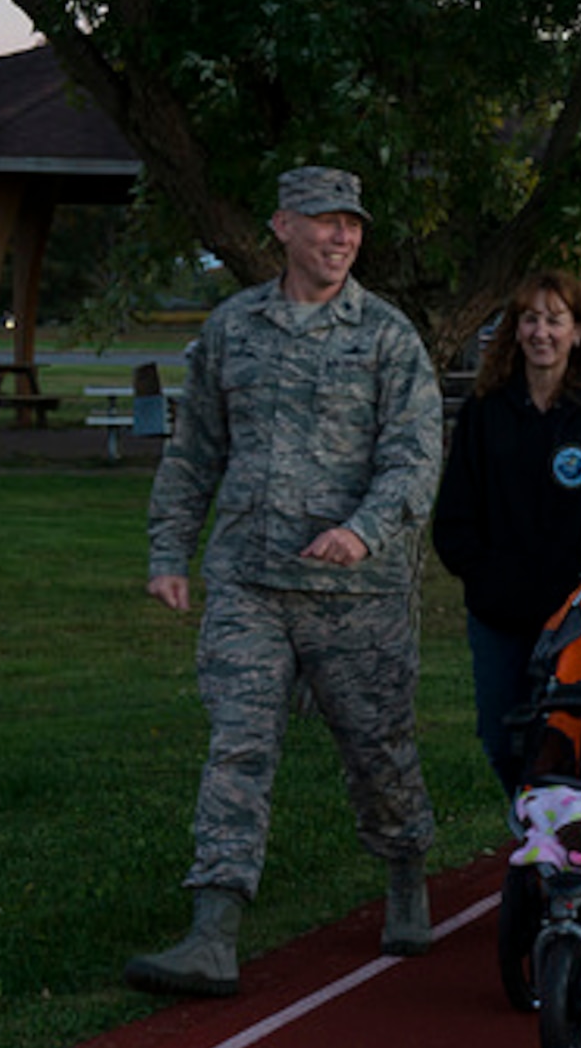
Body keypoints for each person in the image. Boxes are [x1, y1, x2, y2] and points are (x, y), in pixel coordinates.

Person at [127, 166, 445, 997]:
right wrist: (170, 553)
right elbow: (193, 449)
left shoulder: (386, 335)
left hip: (359, 596)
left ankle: (406, 872)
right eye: (324, 221)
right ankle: (214, 928)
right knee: (237, 743)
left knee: (379, 754)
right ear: (282, 227)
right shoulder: (234, 329)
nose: (341, 236)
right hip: (250, 583)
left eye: (352, 224)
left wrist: (361, 530)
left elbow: (414, 459)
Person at [432, 271, 581, 794]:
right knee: (502, 741)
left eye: (555, 320)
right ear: (514, 331)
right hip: (499, 616)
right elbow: (455, 515)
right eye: (530, 319)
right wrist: (484, 576)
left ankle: (562, 857)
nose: (541, 332)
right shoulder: (485, 412)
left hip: (574, 617)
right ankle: (534, 835)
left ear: (578, 333)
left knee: (568, 742)